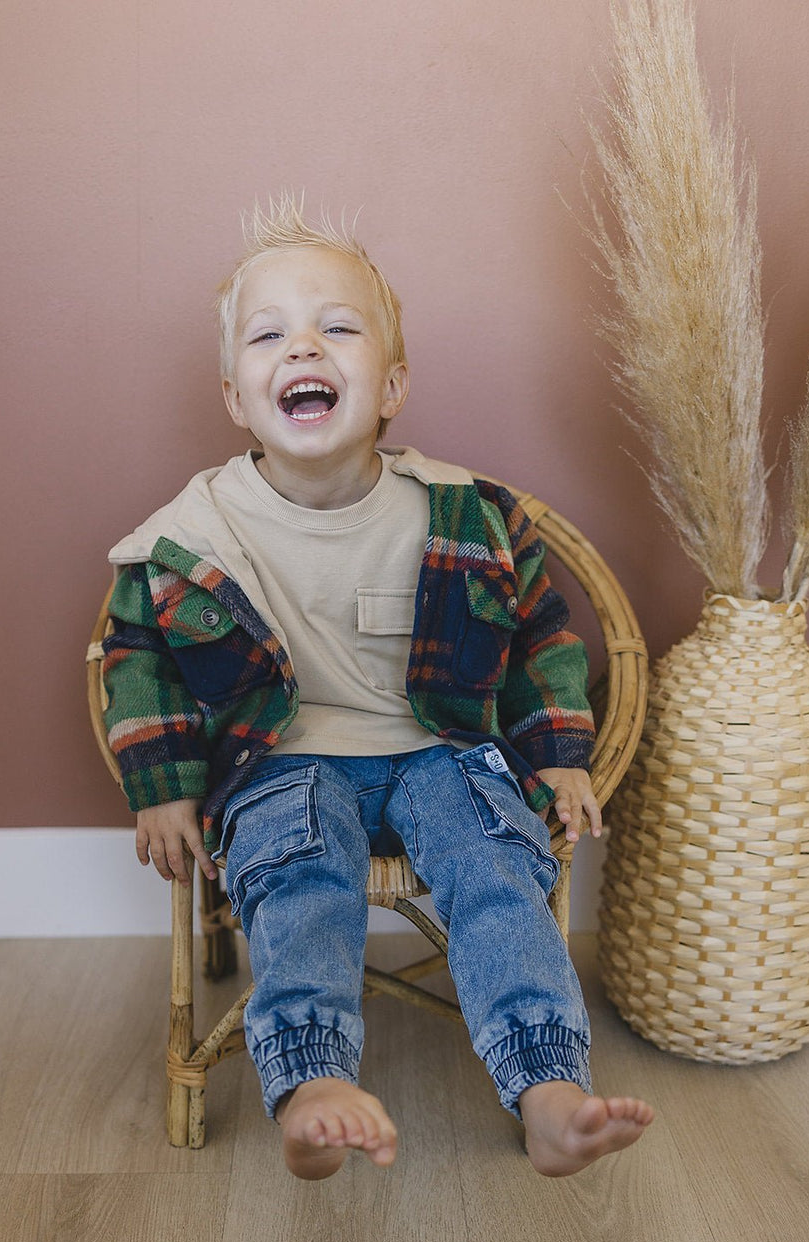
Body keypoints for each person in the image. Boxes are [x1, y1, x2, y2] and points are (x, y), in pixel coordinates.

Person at [102, 196, 654, 1180]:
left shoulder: (465, 514)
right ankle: (312, 1080)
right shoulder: (192, 533)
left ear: (391, 382)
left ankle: (545, 1086)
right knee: (298, 869)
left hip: (440, 750)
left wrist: (562, 760)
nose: (303, 345)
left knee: (498, 862)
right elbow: (132, 650)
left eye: (338, 327)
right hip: (281, 763)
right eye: (270, 334)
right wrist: (165, 785)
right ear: (236, 393)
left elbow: (541, 635)